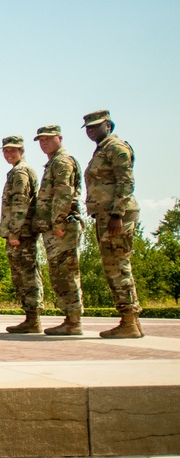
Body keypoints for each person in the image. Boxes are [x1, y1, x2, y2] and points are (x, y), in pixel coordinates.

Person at [83, 110, 143, 338]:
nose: (91, 131)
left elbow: (126, 181)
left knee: (117, 267)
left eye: (96, 126)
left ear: (108, 125)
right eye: (88, 128)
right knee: (115, 266)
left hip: (116, 216)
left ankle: (128, 321)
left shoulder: (116, 148)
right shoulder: (103, 149)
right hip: (107, 215)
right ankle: (132, 322)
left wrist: (117, 214)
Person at [33, 125, 84, 335]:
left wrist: (59, 223)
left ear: (60, 138)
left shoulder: (62, 162)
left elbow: (64, 193)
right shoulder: (53, 162)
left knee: (66, 272)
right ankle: (70, 318)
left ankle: (74, 320)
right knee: (59, 273)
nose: (44, 143)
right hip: (55, 227)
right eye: (41, 140)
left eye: (48, 139)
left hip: (62, 226)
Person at [0, 136, 43, 334]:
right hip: (19, 232)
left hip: (21, 233)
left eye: (13, 151)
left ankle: (33, 318)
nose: (9, 154)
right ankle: (30, 317)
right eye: (6, 151)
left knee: (27, 274)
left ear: (21, 151)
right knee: (21, 275)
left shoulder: (21, 172)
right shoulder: (16, 171)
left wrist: (14, 232)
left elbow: (20, 203)